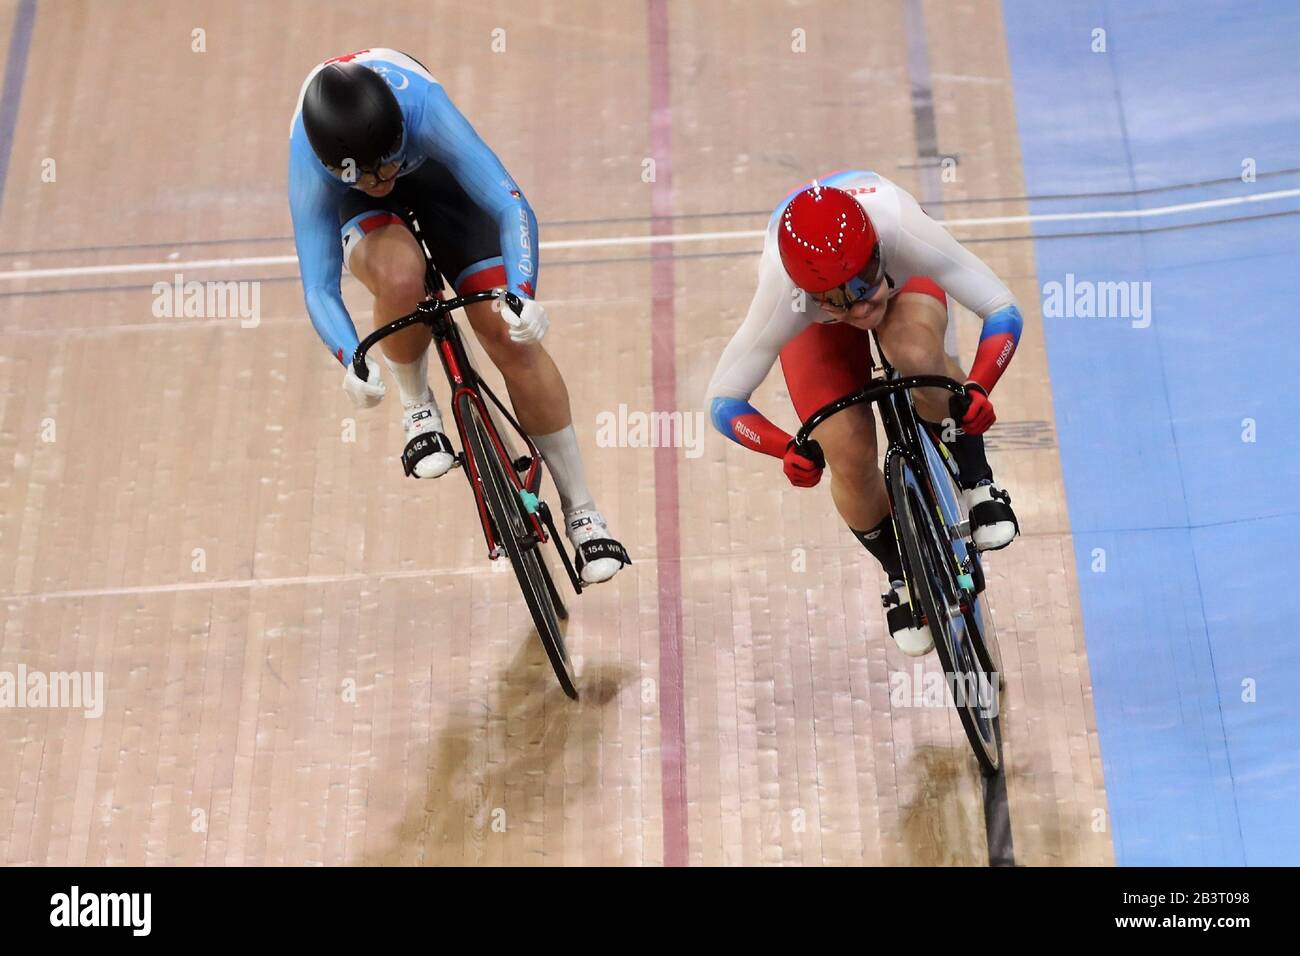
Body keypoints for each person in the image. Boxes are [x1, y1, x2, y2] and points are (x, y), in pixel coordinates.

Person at [288, 49, 628, 583]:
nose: (387, 177)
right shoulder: (310, 157)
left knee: (506, 333)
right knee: (401, 277)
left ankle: (583, 512)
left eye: (391, 162)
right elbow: (318, 284)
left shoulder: (422, 108)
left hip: (439, 176)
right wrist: (349, 355)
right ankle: (418, 404)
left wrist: (522, 294)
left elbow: (510, 203)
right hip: (363, 216)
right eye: (372, 175)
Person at [705, 172, 1021, 656]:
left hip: (905, 277)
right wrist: (784, 448)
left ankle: (979, 483)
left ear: (876, 251)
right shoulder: (782, 291)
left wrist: (979, 384)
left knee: (917, 355)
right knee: (846, 449)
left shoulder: (901, 228)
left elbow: (1001, 308)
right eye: (838, 298)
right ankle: (899, 573)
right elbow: (724, 402)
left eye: (864, 281)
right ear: (807, 292)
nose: (861, 304)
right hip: (818, 325)